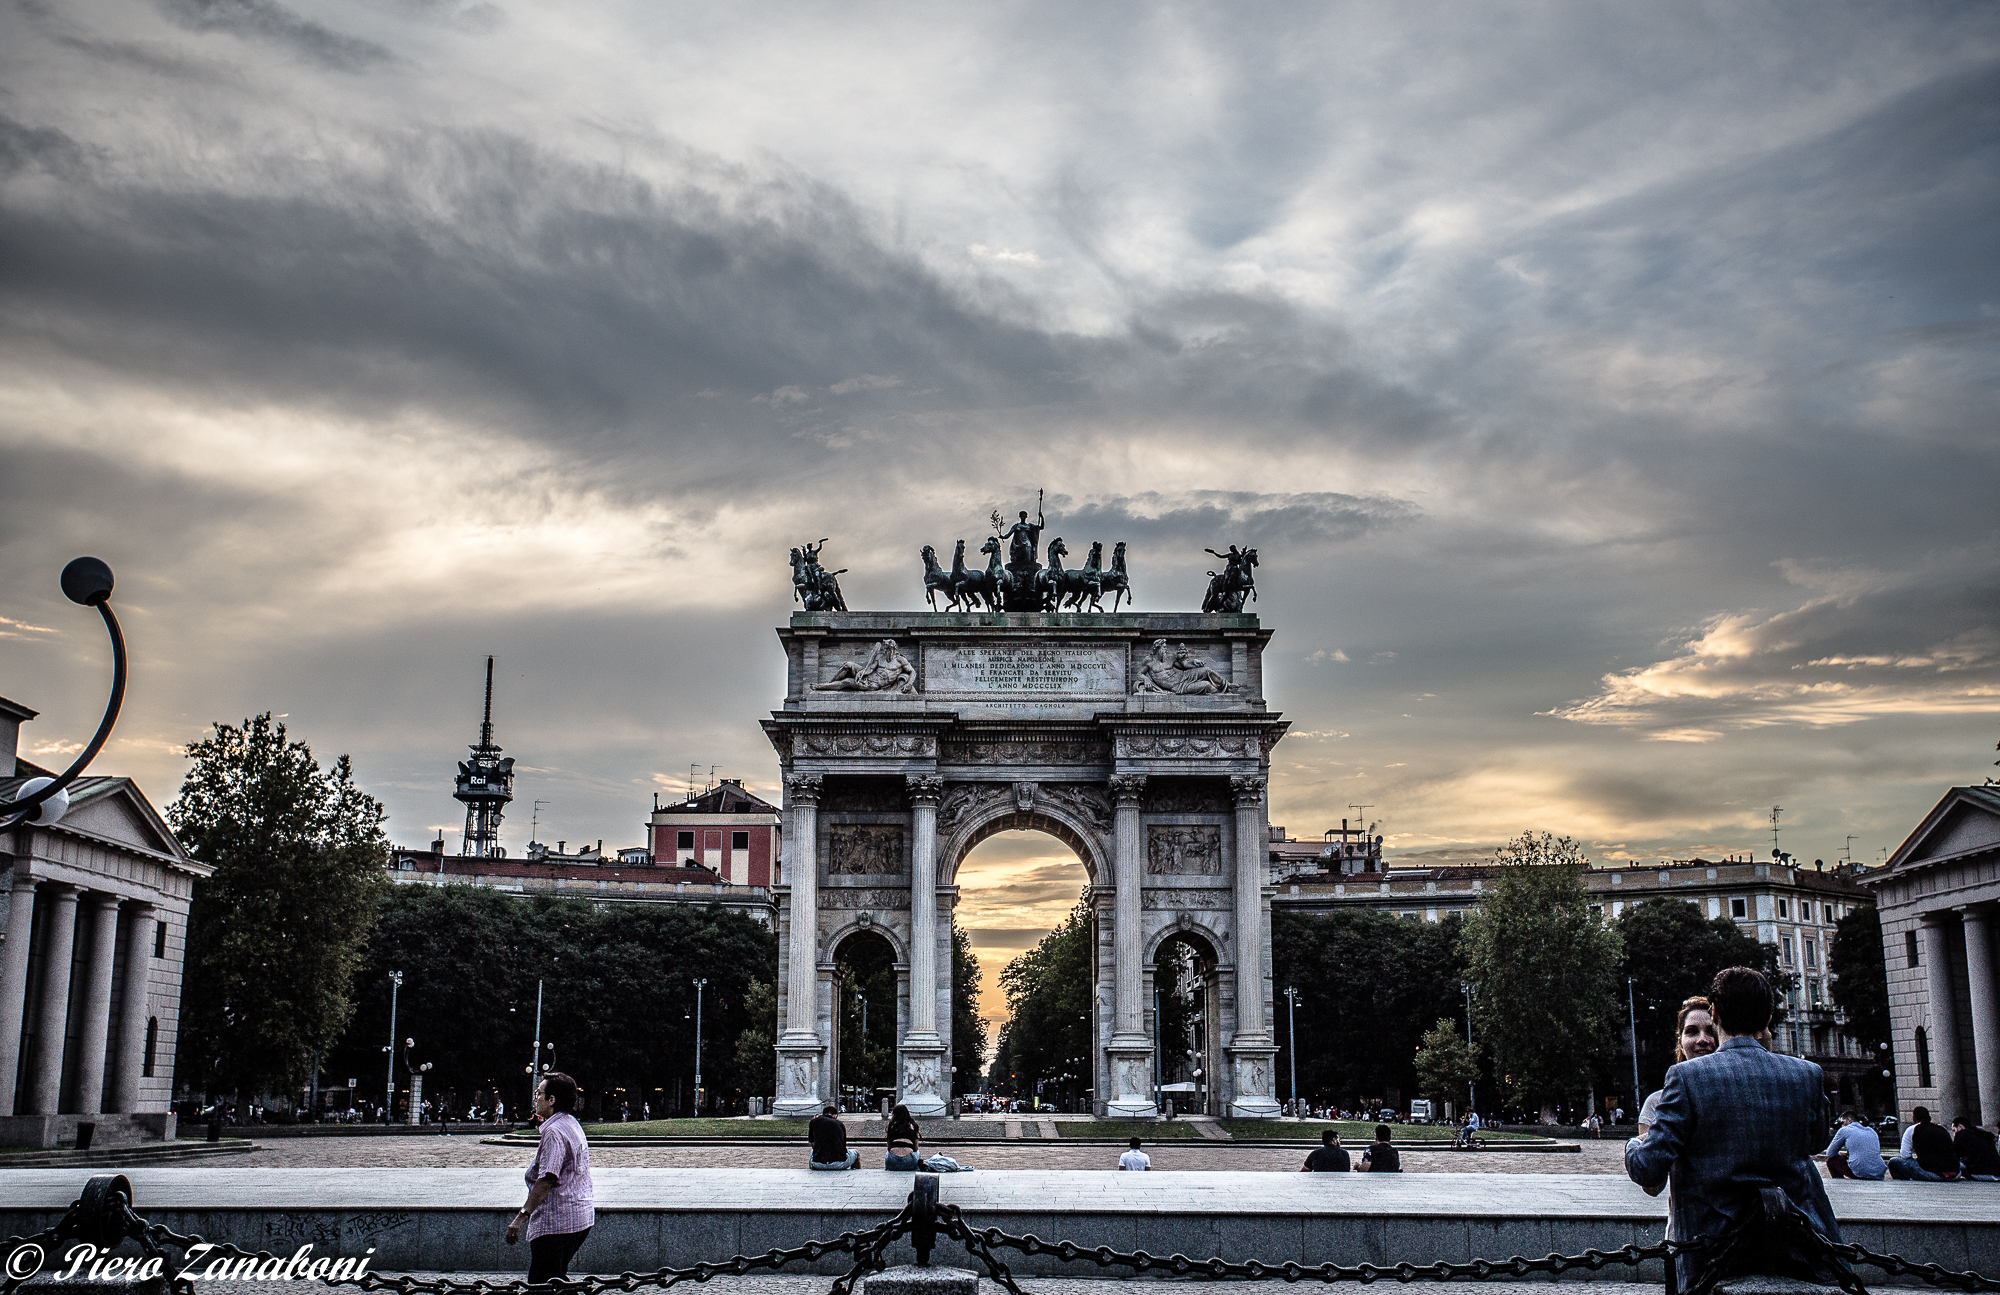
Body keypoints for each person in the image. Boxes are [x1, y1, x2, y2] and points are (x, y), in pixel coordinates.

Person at [1626, 967, 1838, 1291]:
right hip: (1798, 1245)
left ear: (1715, 1012)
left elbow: (1647, 1168)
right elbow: (1817, 1140)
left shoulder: (1686, 1078)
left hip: (1712, 1252)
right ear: (1767, 1017)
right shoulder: (1807, 1074)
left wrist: (1633, 1144)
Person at [505, 1073, 594, 1285]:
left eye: (539, 1094)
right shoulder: (571, 1124)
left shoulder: (553, 1132)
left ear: (551, 1100)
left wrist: (520, 1218)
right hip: (579, 1217)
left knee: (541, 1282)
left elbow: (546, 1179)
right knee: (557, 1280)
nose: (536, 1098)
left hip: (557, 1222)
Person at [1638, 997, 1721, 1137]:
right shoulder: (1657, 1103)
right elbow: (1649, 1157)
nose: (1702, 1040)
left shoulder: (1738, 1095)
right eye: (1692, 1031)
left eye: (1711, 1031)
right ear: (1681, 1044)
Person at [883, 1103, 973, 1173]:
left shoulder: (891, 1128)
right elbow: (915, 1148)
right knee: (917, 1153)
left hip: (892, 1164)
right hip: (909, 1163)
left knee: (889, 1153)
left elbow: (889, 1147)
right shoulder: (912, 1127)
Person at [1888, 1107, 1960, 1181]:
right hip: (1955, 1173)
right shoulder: (1942, 1129)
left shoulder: (1912, 1129)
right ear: (1929, 1117)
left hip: (1934, 1174)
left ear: (1914, 1118)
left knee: (1894, 1162)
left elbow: (1905, 1155)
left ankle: (1905, 1183)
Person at [1823, 1109, 1886, 1180]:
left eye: (1842, 1122)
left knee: (1831, 1161)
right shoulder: (1872, 1131)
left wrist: (1839, 1155)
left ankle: (1840, 1184)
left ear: (1849, 1120)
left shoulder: (1844, 1130)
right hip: (1879, 1171)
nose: (1842, 1125)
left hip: (1861, 1171)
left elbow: (1829, 1153)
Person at [810, 1104, 859, 1170]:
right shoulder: (839, 1124)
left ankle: (812, 1173)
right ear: (834, 1115)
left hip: (818, 1163)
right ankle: (857, 1173)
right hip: (838, 1163)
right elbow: (843, 1146)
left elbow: (812, 1143)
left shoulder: (813, 1122)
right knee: (856, 1153)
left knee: (812, 1153)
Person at [1950, 1117, 2000, 1182]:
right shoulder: (1983, 1134)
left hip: (1979, 1172)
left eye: (1954, 1130)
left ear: (1960, 1126)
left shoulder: (1962, 1134)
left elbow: (1956, 1155)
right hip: (1996, 1172)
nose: (1954, 1134)